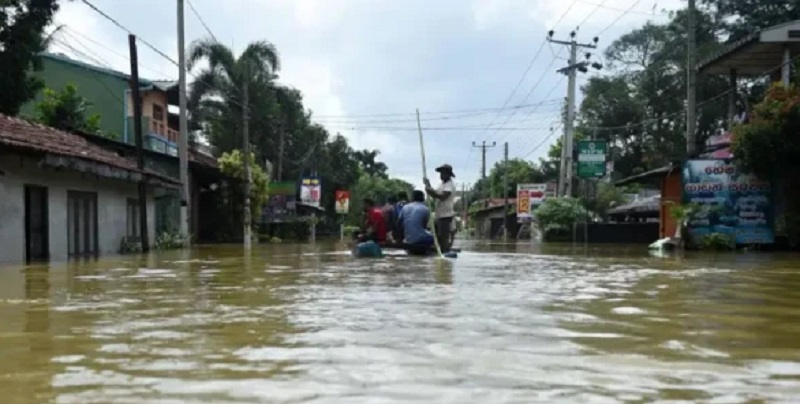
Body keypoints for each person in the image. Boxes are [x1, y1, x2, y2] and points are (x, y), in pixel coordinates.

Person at [424, 163, 456, 252]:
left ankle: (444, 251)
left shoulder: (449, 185)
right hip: (439, 214)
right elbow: (435, 193)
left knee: (443, 237)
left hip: (445, 215)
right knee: (437, 236)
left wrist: (431, 191)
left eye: (444, 173)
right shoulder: (442, 184)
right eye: (441, 173)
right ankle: (440, 250)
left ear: (448, 174)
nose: (441, 175)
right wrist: (428, 184)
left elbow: (442, 196)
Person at [398, 190, 434, 255]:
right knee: (432, 237)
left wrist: (400, 237)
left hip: (407, 239)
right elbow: (424, 226)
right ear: (422, 198)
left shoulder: (405, 207)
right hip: (419, 239)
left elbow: (399, 223)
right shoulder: (425, 209)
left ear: (413, 198)